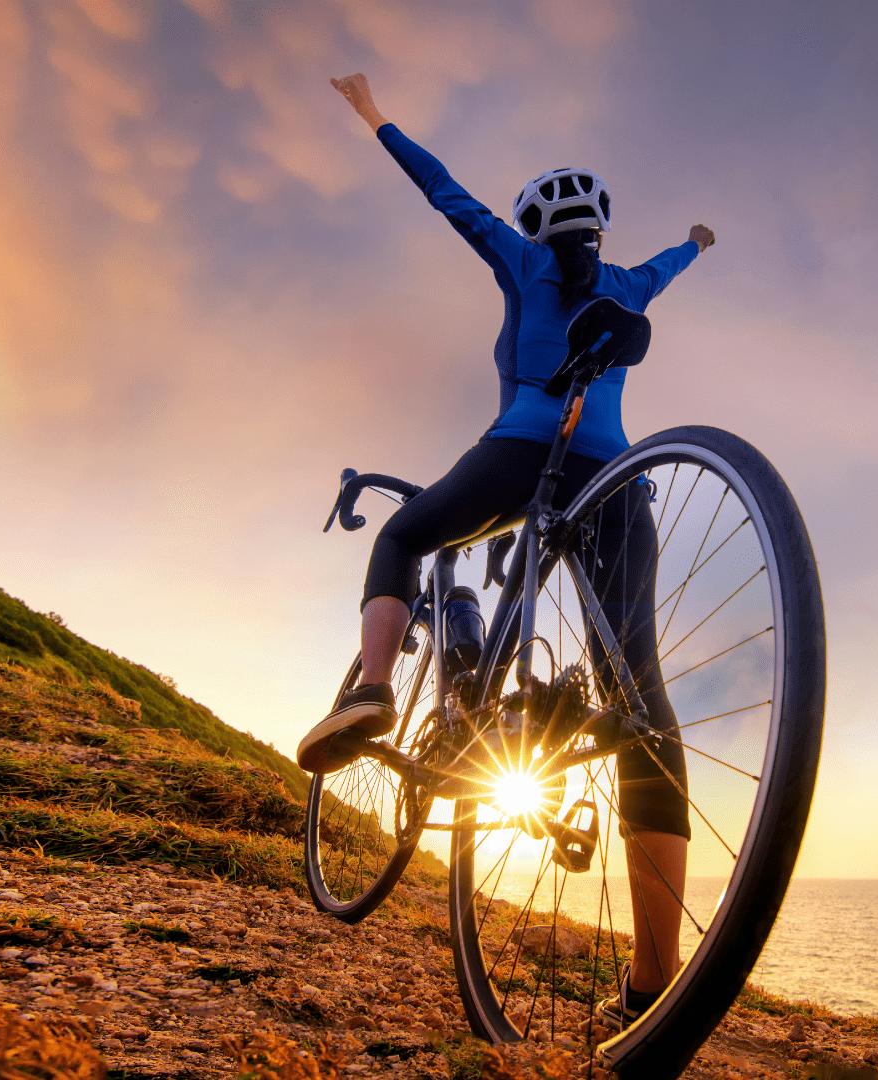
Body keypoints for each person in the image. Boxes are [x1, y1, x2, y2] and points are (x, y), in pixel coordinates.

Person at [296, 73, 714, 1028]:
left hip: (522, 452)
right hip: (619, 481)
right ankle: (656, 978)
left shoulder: (521, 260)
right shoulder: (627, 280)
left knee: (403, 535)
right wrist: (692, 244)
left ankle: (370, 690)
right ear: (601, 237)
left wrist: (374, 117)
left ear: (537, 230)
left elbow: (445, 193)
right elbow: (666, 266)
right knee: (642, 694)